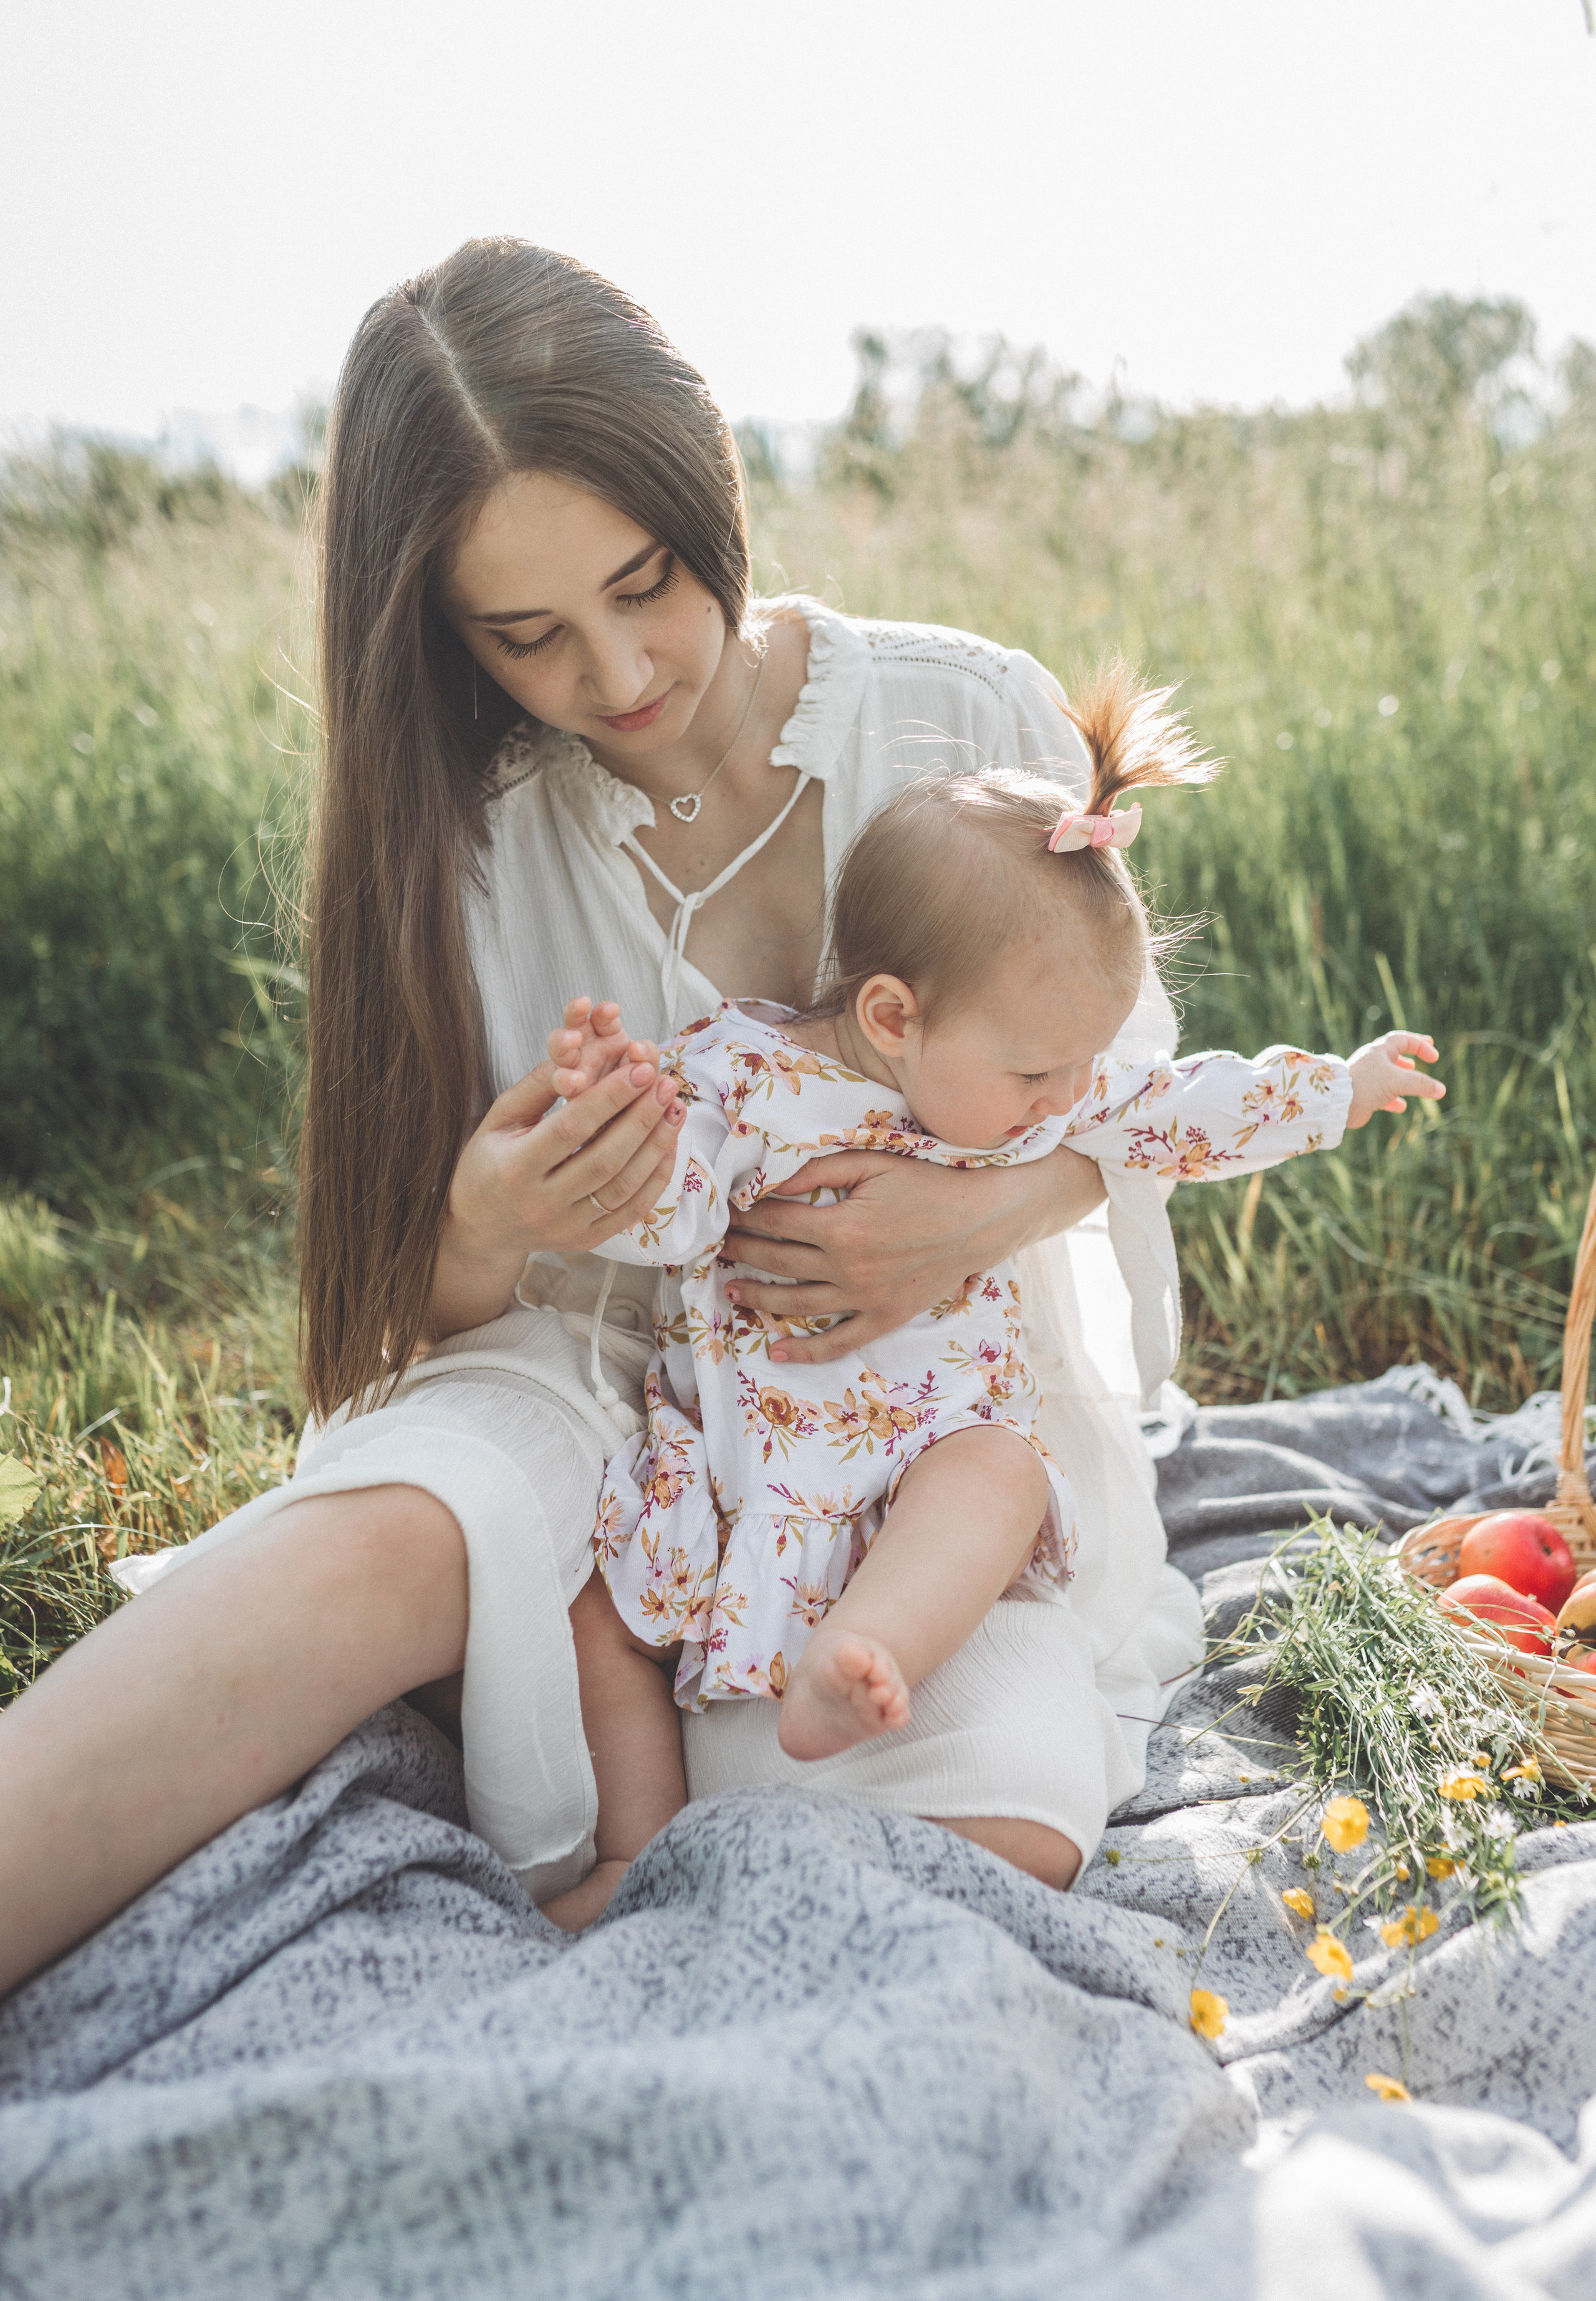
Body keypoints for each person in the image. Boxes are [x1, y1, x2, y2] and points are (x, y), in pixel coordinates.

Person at [0, 233, 1378, 1995]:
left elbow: (1121, 1093)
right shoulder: (465, 847)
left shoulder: (962, 714)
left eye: (644, 582)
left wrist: (973, 1212)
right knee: (397, 1530)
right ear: (445, 639)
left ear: (708, 487)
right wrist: (491, 1219)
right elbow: (403, 1319)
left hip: (905, 1411)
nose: (620, 670)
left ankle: (683, 1899)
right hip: (590, 1385)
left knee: (999, 1773)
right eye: (527, 637)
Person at [544, 685, 1443, 1926]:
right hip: (749, 1481)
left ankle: (864, 1653)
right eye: (1038, 1072)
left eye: (1080, 1067)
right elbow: (658, 1216)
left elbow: (1180, 1108)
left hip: (920, 1463)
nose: (1065, 1101)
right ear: (892, 1017)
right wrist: (609, 1117)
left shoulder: (1032, 1090)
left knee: (1001, 1471)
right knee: (599, 1615)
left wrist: (1338, 1089)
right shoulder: (742, 1080)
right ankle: (630, 1854)